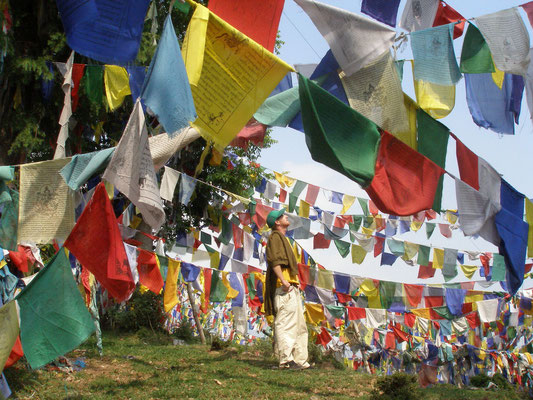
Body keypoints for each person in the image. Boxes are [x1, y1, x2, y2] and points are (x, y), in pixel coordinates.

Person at [264, 209, 310, 370]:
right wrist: (284, 281)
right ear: (277, 222)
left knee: (300, 326)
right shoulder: (275, 237)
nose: (286, 217)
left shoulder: (284, 238)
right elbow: (274, 261)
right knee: (286, 324)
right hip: (284, 288)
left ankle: (301, 360)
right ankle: (286, 360)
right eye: (283, 216)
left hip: (292, 287)